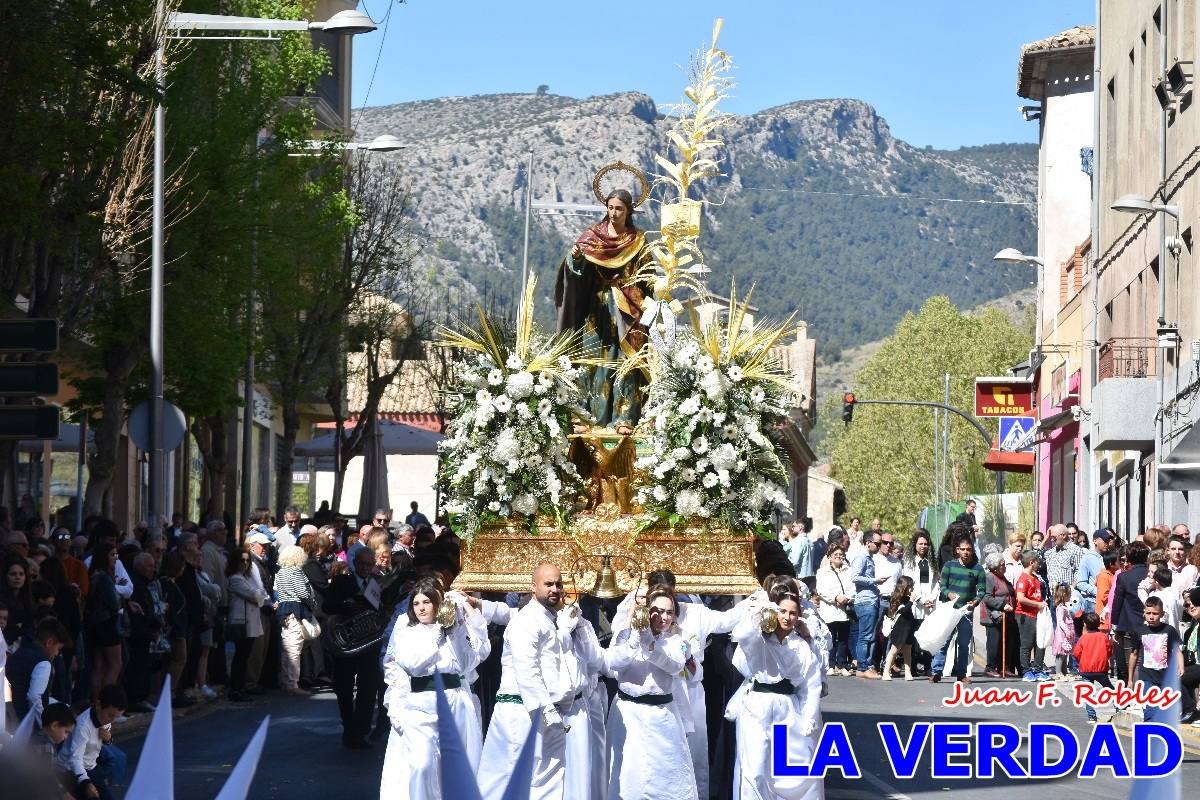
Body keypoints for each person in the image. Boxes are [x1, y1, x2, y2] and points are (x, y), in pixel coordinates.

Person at [380, 577, 490, 800]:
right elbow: (412, 664)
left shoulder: (452, 631)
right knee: (422, 765)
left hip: (455, 702)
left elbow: (469, 662)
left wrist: (458, 625)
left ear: (437, 604)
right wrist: (437, 632)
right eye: (416, 603)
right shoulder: (408, 631)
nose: (421, 608)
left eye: (426, 602)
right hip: (421, 705)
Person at [478, 563, 580, 800]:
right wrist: (546, 714)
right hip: (524, 712)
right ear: (533, 587)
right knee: (519, 781)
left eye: (558, 583)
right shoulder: (527, 620)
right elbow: (527, 670)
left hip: (538, 712)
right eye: (548, 584)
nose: (555, 589)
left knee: (543, 782)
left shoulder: (547, 619)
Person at [554, 187, 652, 432]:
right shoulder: (593, 236)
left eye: (619, 209)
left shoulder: (638, 239)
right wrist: (575, 257)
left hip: (627, 311)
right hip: (596, 309)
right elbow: (574, 268)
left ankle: (624, 418)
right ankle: (587, 416)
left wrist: (652, 291)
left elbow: (647, 275)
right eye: (610, 208)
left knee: (626, 362)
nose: (613, 213)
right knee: (591, 360)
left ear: (629, 211)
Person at [724, 583, 822, 800]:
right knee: (755, 766)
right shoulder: (759, 640)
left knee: (787, 769)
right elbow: (742, 634)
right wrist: (759, 612)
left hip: (787, 709)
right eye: (782, 611)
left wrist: (809, 717)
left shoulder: (800, 646)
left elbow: (811, 685)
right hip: (757, 707)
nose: (787, 617)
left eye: (792, 613)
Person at [604, 584, 696, 800]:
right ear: (648, 611)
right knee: (629, 774)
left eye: (669, 612)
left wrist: (650, 645)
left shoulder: (679, 641)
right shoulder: (626, 634)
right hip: (629, 714)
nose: (663, 617)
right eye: (659, 611)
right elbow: (614, 664)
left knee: (665, 775)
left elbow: (673, 665)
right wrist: (635, 639)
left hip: (662, 716)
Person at [325, 547, 385, 749]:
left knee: (369, 688)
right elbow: (327, 605)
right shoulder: (343, 581)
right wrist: (345, 605)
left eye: (370, 564)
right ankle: (349, 727)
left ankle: (360, 731)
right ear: (355, 564)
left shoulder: (376, 583)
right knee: (343, 687)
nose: (366, 568)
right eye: (362, 564)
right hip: (348, 643)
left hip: (369, 645)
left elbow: (381, 609)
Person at [56, 684, 127, 800]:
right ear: (99, 705)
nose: (112, 720)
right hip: (70, 769)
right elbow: (75, 759)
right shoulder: (83, 726)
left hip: (91, 766)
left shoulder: (105, 718)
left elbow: (102, 741)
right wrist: (86, 783)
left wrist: (108, 740)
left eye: (116, 717)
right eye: (110, 716)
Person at [930, 537, 985, 684]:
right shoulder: (949, 565)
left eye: (968, 549)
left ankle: (961, 674)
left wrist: (976, 601)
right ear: (957, 550)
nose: (966, 552)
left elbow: (981, 590)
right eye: (963, 549)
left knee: (964, 644)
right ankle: (936, 671)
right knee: (944, 641)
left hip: (966, 610)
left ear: (972, 551)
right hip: (950, 609)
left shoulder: (978, 569)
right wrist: (948, 594)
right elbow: (942, 585)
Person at [226, 546, 269, 702]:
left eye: (247, 560)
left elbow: (260, 594)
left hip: (249, 622)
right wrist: (259, 596)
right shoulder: (236, 578)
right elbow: (255, 595)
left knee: (245, 657)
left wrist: (259, 596)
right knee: (240, 657)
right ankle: (236, 689)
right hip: (241, 622)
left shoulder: (246, 577)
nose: (245, 563)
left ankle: (240, 687)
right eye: (241, 560)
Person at [6, 617, 69, 724]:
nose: (57, 654)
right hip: (26, 725)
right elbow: (34, 697)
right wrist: (44, 724)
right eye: (58, 649)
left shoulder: (17, 653)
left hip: (7, 715)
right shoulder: (43, 663)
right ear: (49, 642)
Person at [275, 544, 318, 697]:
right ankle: (293, 684)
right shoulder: (296, 571)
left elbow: (277, 590)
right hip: (296, 609)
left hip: (284, 610)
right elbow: (302, 592)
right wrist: (312, 603)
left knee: (287, 647)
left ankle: (286, 681)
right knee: (294, 648)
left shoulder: (280, 572)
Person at [1135, 596, 1183, 722]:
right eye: (1148, 613)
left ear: (1162, 614)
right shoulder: (1140, 631)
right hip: (1147, 678)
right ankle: (1148, 732)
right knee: (1150, 710)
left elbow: (1177, 651)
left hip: (1165, 677)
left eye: (1155, 613)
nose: (1151, 616)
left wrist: (1181, 666)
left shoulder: (1169, 630)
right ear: (1144, 613)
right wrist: (1130, 679)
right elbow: (1134, 654)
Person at [84, 543, 122, 702]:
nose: (116, 558)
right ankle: (106, 703)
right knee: (115, 664)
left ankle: (96, 702)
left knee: (99, 665)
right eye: (112, 554)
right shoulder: (104, 578)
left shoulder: (93, 575)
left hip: (94, 624)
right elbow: (114, 603)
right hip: (107, 624)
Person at [1112, 541, 1151, 686]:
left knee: (1132, 661)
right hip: (1150, 622)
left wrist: (1114, 624)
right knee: (1148, 660)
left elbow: (1118, 602)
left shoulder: (1124, 577)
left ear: (1129, 557)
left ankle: (1135, 693)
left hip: (1129, 623)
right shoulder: (1151, 574)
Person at [816, 545, 855, 677]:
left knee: (843, 638)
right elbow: (821, 590)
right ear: (830, 557)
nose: (839, 556)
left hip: (844, 609)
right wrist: (835, 598)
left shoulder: (848, 570)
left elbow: (852, 588)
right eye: (836, 554)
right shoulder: (822, 572)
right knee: (830, 637)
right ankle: (830, 664)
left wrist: (846, 598)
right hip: (830, 609)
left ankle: (842, 664)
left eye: (841, 554)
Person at [850, 531, 885, 678]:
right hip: (865, 601)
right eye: (877, 543)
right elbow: (855, 577)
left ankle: (864, 667)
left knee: (866, 635)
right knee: (864, 637)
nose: (879, 546)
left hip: (870, 600)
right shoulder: (861, 557)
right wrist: (875, 581)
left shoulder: (868, 558)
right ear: (868, 542)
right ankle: (863, 668)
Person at [981, 553, 1017, 678]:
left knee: (1006, 642)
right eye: (1002, 565)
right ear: (995, 567)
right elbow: (986, 597)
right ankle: (990, 667)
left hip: (1006, 616)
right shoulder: (990, 577)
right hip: (993, 616)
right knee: (994, 643)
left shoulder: (1002, 577)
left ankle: (1003, 667)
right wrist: (1002, 605)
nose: (1005, 567)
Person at [1073, 613, 1114, 723]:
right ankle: (1119, 705)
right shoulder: (1103, 637)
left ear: (1085, 624)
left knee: (1088, 693)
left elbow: (1076, 654)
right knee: (1109, 688)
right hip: (1101, 670)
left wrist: (1081, 662)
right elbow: (1109, 651)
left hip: (1086, 670)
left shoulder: (1083, 638)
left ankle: (1091, 716)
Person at [1015, 551, 1049, 682]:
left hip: (1037, 615)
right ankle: (1026, 671)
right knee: (1027, 643)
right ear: (1031, 563)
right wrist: (1038, 604)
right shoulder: (1023, 578)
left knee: (1040, 642)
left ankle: (1039, 669)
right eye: (1037, 561)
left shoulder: (1035, 578)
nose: (1039, 563)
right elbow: (1021, 598)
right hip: (1025, 615)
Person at [881, 575, 916, 681]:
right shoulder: (897, 598)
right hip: (900, 628)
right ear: (903, 587)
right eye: (909, 587)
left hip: (909, 626)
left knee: (908, 649)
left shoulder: (907, 598)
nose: (911, 589)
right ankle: (885, 672)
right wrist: (911, 601)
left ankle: (908, 672)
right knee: (894, 650)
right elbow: (903, 611)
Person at [1180, 587, 1200, 725]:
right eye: (1188, 605)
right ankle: (1191, 710)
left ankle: (1190, 711)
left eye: (1195, 603)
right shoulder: (1193, 627)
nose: (1191, 606)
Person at [1051, 583, 1077, 679]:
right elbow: (1060, 621)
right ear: (1064, 595)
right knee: (1061, 653)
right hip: (1062, 634)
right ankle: (1058, 672)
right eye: (1069, 595)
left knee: (1065, 652)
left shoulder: (1065, 607)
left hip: (1067, 633)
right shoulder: (1061, 608)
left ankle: (1064, 671)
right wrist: (1066, 631)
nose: (1070, 596)